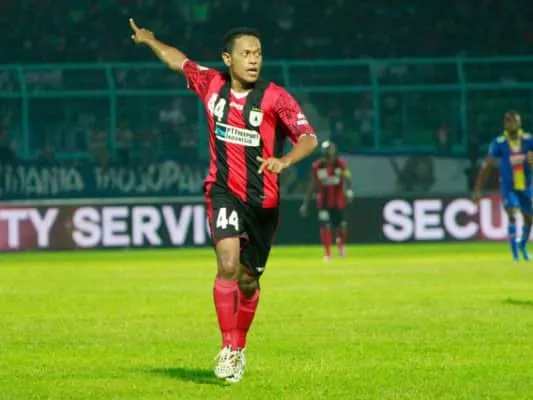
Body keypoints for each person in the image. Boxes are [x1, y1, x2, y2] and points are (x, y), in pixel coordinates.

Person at [130, 20, 317, 383]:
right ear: (228, 59)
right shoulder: (211, 84)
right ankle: (228, 348)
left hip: (263, 201)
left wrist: (285, 160)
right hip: (223, 191)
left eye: (258, 54)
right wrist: (151, 39)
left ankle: (240, 345)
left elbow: (308, 137)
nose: (254, 60)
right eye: (246, 54)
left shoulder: (275, 97)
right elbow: (178, 61)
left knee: (248, 280)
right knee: (227, 264)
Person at [473, 111, 533, 261]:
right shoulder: (499, 143)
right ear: (505, 124)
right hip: (509, 187)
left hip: (526, 186)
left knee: (529, 219)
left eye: (516, 121)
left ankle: (522, 245)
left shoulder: (528, 140)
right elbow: (487, 166)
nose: (514, 124)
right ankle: (515, 254)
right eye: (510, 121)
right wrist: (478, 189)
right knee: (512, 213)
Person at [299, 141, 353, 260]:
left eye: (330, 149)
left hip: (338, 201)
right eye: (327, 149)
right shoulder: (317, 166)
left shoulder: (341, 164)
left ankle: (341, 245)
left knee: (341, 225)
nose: (329, 152)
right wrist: (305, 203)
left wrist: (349, 191)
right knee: (325, 225)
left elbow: (347, 177)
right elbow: (313, 184)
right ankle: (328, 252)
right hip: (323, 202)